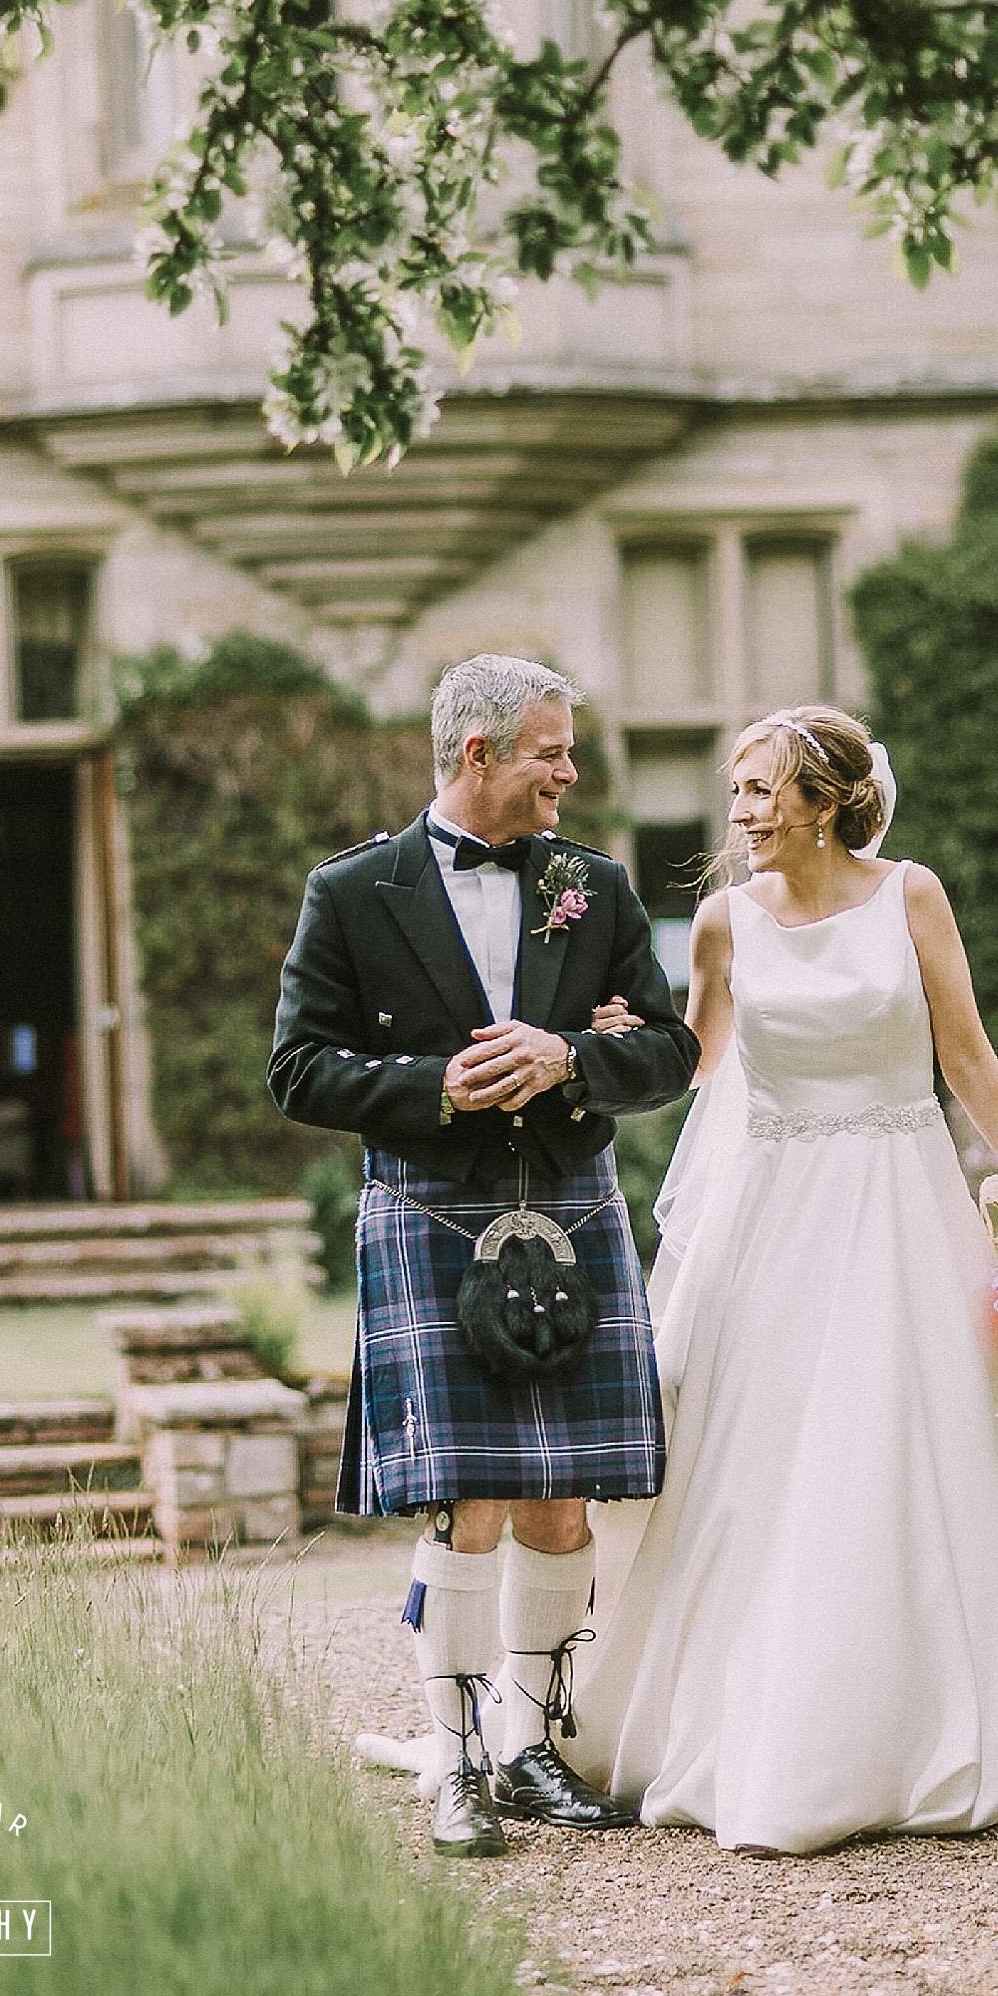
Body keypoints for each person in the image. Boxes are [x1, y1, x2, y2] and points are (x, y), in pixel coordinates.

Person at [569, 704, 998, 1856]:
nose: (740, 811)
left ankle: (929, 1725)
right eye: (736, 789)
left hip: (902, 1201)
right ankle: (765, 1727)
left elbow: (965, 1055)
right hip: (776, 1218)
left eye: (761, 789)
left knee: (908, 1444)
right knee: (770, 1462)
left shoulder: (912, 893)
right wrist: (614, 1036)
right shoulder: (719, 922)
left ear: (823, 799)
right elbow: (694, 1064)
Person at [269, 653, 698, 1858]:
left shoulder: (593, 885)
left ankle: (525, 1747)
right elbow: (297, 1068)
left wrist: (573, 1057)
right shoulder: (354, 890)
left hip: (570, 1204)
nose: (570, 769)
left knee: (561, 1498)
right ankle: (451, 1757)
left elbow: (670, 1049)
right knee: (465, 1504)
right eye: (549, 750)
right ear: (478, 754)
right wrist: (435, 1086)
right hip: (432, 1209)